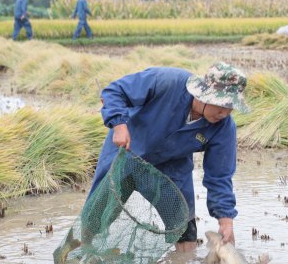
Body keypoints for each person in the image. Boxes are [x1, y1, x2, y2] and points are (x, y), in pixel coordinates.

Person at [92, 62, 248, 253]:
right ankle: (82, 250)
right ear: (204, 94)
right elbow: (114, 91)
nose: (225, 113)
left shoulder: (223, 128)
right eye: (222, 105)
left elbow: (220, 176)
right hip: (127, 148)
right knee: (97, 214)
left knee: (184, 227)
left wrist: (225, 219)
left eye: (231, 107)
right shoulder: (167, 82)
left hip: (172, 164)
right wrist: (119, 125)